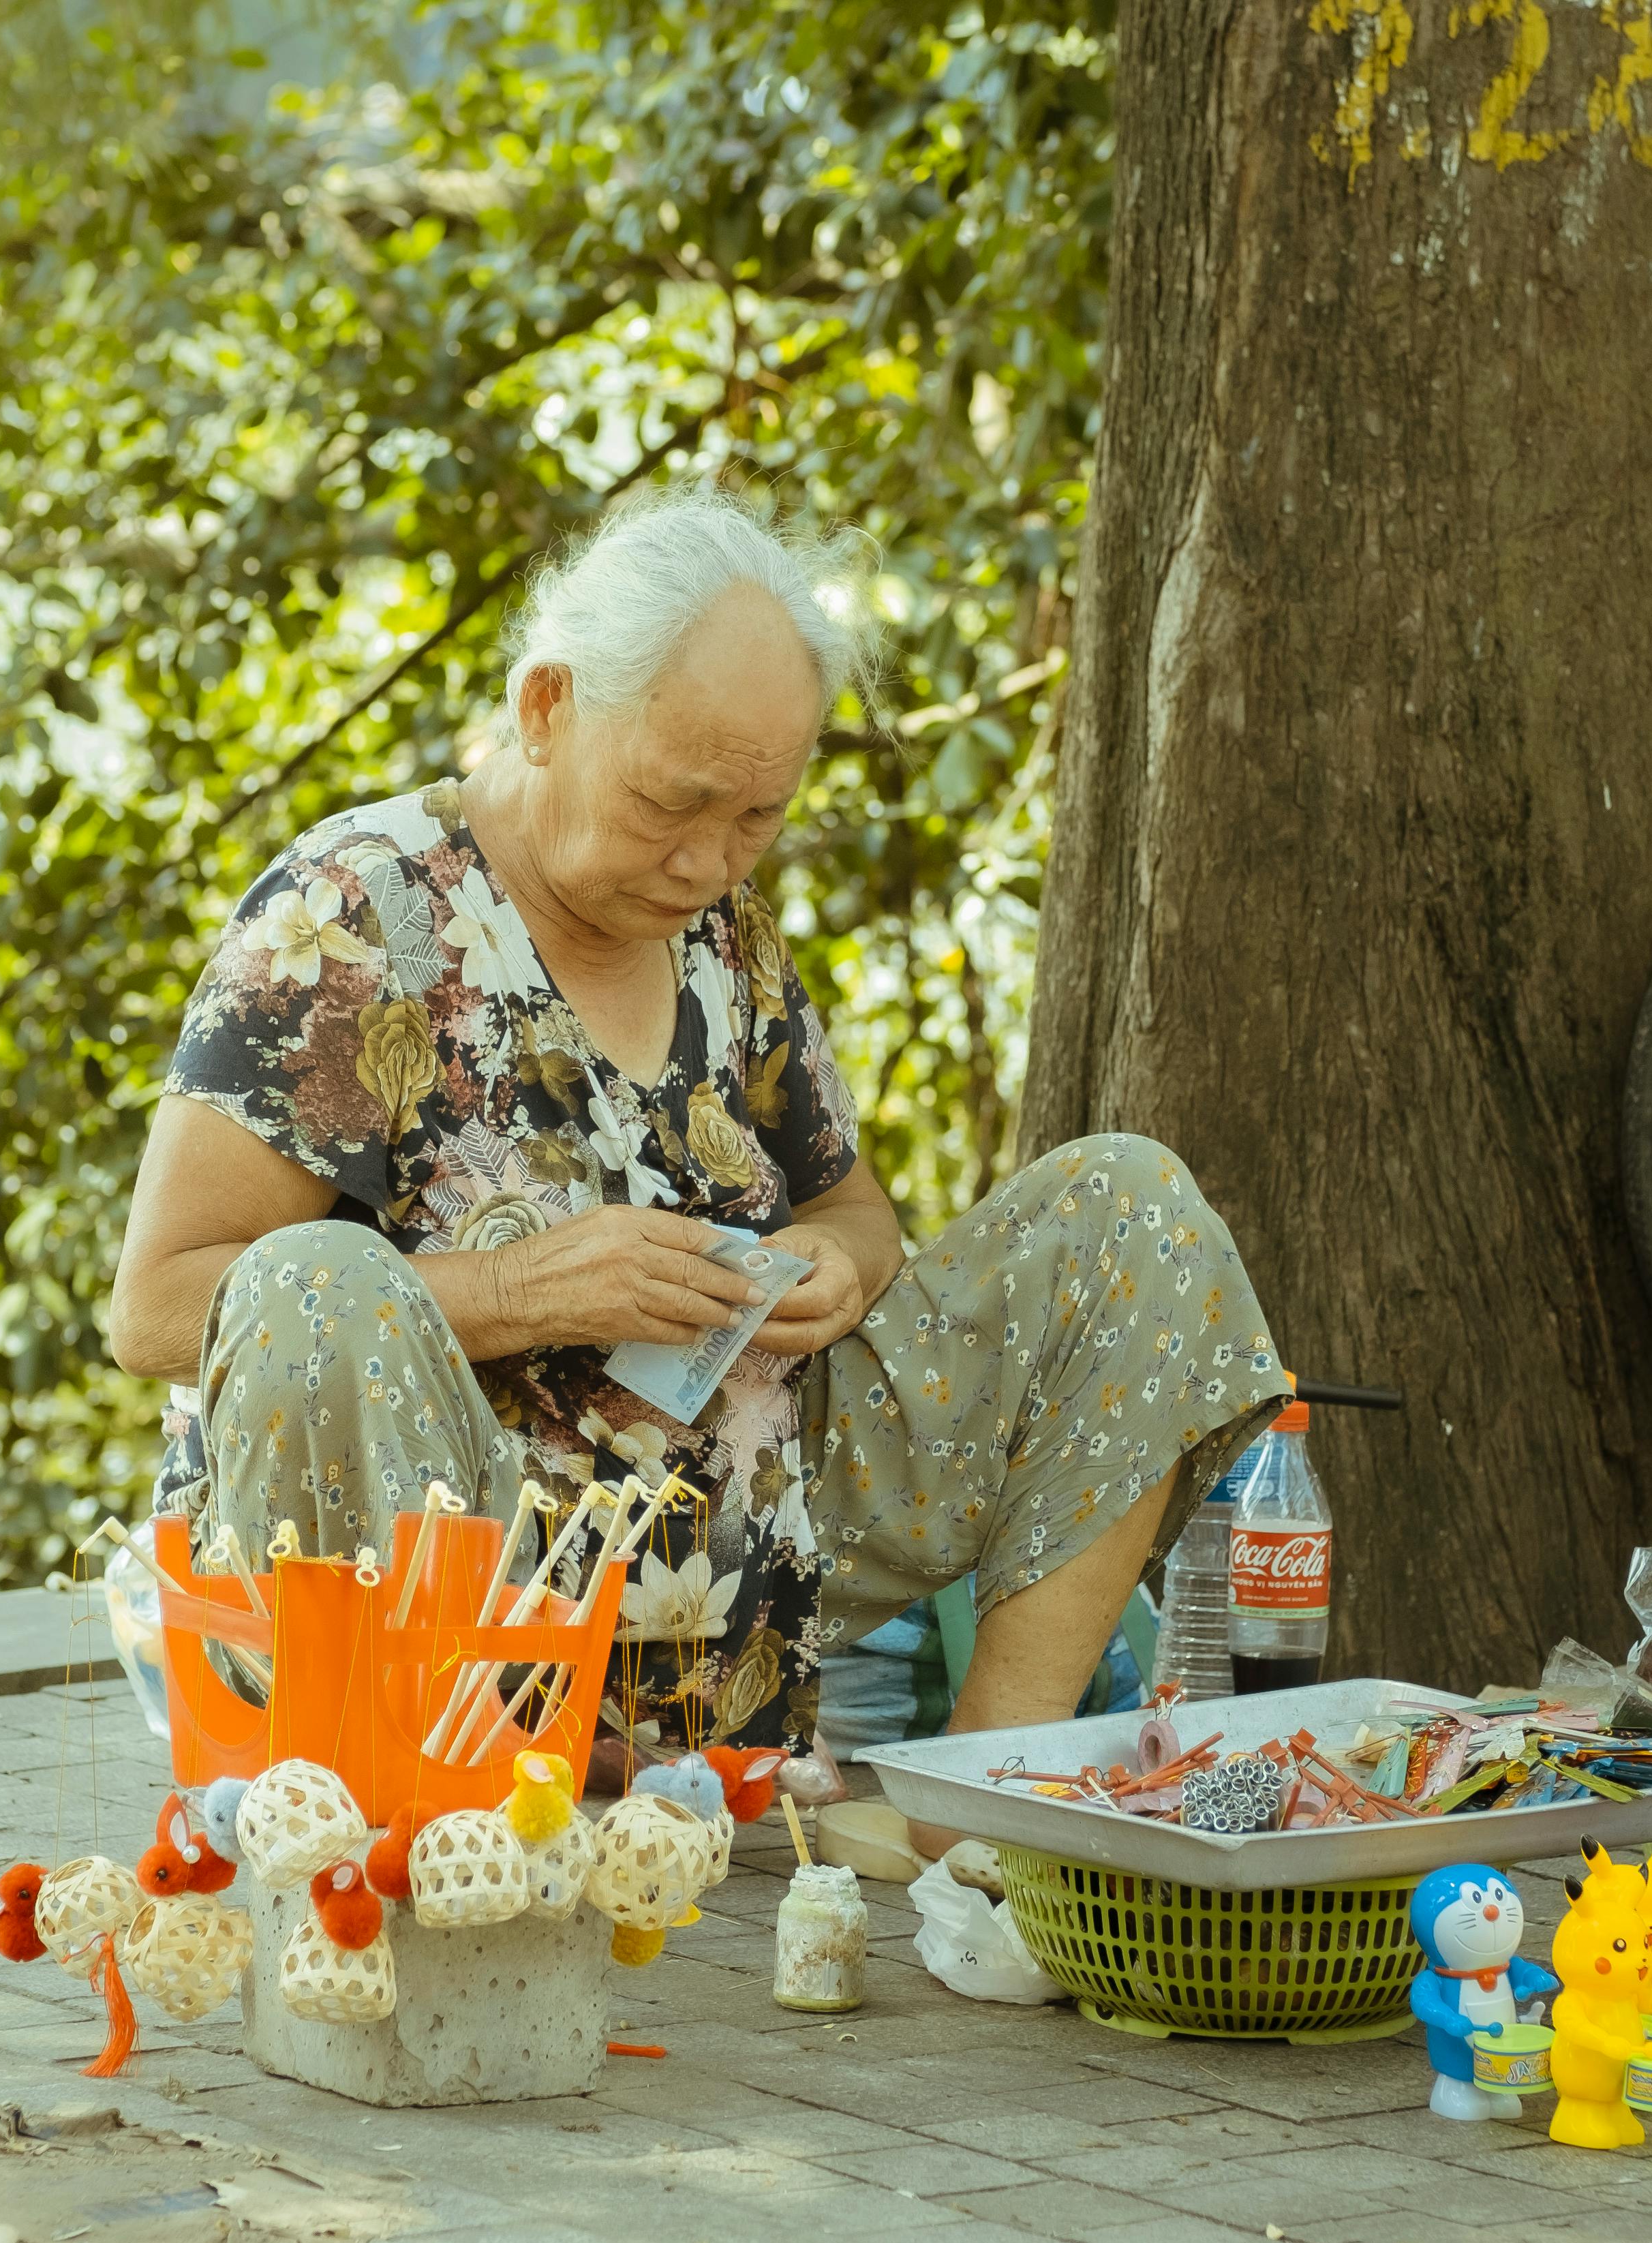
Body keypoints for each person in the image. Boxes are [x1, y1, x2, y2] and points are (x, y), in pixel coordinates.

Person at [108, 485, 1285, 1771]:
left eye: (757, 816)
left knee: (1132, 1206)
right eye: (674, 801)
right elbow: (165, 1309)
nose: (709, 860)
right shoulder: (349, 915)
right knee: (310, 1279)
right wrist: (517, 1287)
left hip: (751, 1566)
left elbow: (853, 1211)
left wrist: (840, 1266)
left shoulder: (721, 931)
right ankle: (480, 1791)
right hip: (468, 1611)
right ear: (548, 706)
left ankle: (987, 1788)